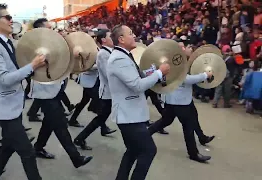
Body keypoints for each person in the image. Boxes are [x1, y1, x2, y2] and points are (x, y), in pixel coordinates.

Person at [0, 4, 45, 179]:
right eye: (7, 18)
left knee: (7, 146)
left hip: (14, 105)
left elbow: (18, 68)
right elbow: (5, 79)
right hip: (5, 109)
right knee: (27, 152)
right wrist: (32, 65)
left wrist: (34, 64)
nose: (11, 21)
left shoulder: (8, 42)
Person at [107, 24, 170, 180]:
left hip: (131, 115)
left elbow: (136, 77)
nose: (134, 35)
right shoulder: (119, 58)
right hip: (129, 116)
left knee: (133, 151)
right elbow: (137, 85)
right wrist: (159, 72)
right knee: (148, 150)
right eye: (130, 33)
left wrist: (153, 72)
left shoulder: (124, 55)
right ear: (121, 39)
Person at [30, 18, 93, 167]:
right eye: (49, 28)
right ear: (41, 30)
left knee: (49, 123)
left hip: (54, 91)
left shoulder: (51, 44)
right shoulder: (37, 46)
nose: (53, 31)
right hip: (45, 92)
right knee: (60, 126)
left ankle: (38, 147)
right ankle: (76, 158)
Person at [148, 73, 213, 163]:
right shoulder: (176, 65)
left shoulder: (176, 63)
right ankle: (193, 153)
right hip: (180, 103)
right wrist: (205, 75)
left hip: (175, 101)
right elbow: (185, 78)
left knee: (165, 121)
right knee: (188, 127)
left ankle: (144, 136)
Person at [73, 29, 117, 150]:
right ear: (103, 39)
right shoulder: (102, 53)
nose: (113, 38)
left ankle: (80, 137)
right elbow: (107, 73)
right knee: (101, 115)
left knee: (101, 116)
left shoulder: (108, 52)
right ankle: (80, 138)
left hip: (101, 87)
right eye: (110, 36)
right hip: (100, 87)